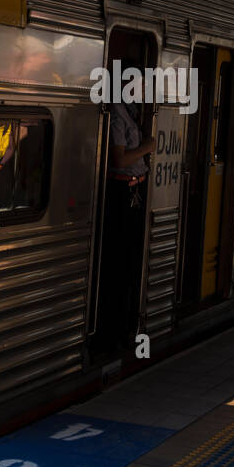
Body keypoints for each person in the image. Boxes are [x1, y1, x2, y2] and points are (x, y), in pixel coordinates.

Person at [97, 80, 155, 352]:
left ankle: (126, 326)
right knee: (120, 263)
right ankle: (115, 332)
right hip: (122, 192)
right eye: (140, 84)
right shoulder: (117, 114)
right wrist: (147, 147)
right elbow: (118, 159)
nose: (144, 91)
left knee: (130, 260)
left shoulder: (130, 110)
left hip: (133, 189)